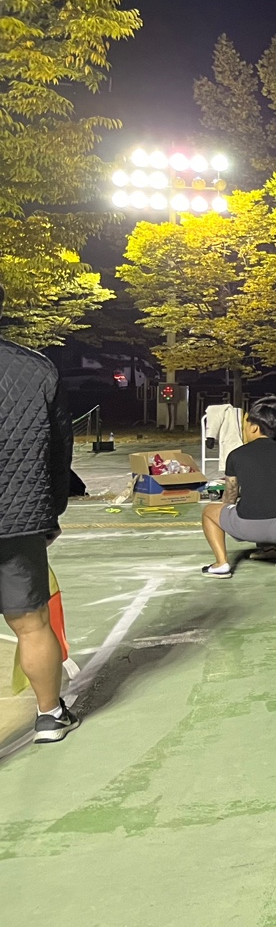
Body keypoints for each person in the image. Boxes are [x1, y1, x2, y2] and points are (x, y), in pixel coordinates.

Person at [0, 282, 80, 742]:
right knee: (31, 623)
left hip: (22, 515)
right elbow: (58, 450)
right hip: (19, 518)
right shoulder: (36, 368)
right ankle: (50, 715)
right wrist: (49, 512)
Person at [201, 399, 276, 576]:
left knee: (209, 512)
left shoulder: (236, 454)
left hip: (245, 528)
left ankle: (221, 563)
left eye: (246, 425)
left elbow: (230, 494)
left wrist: (228, 512)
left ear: (254, 428)